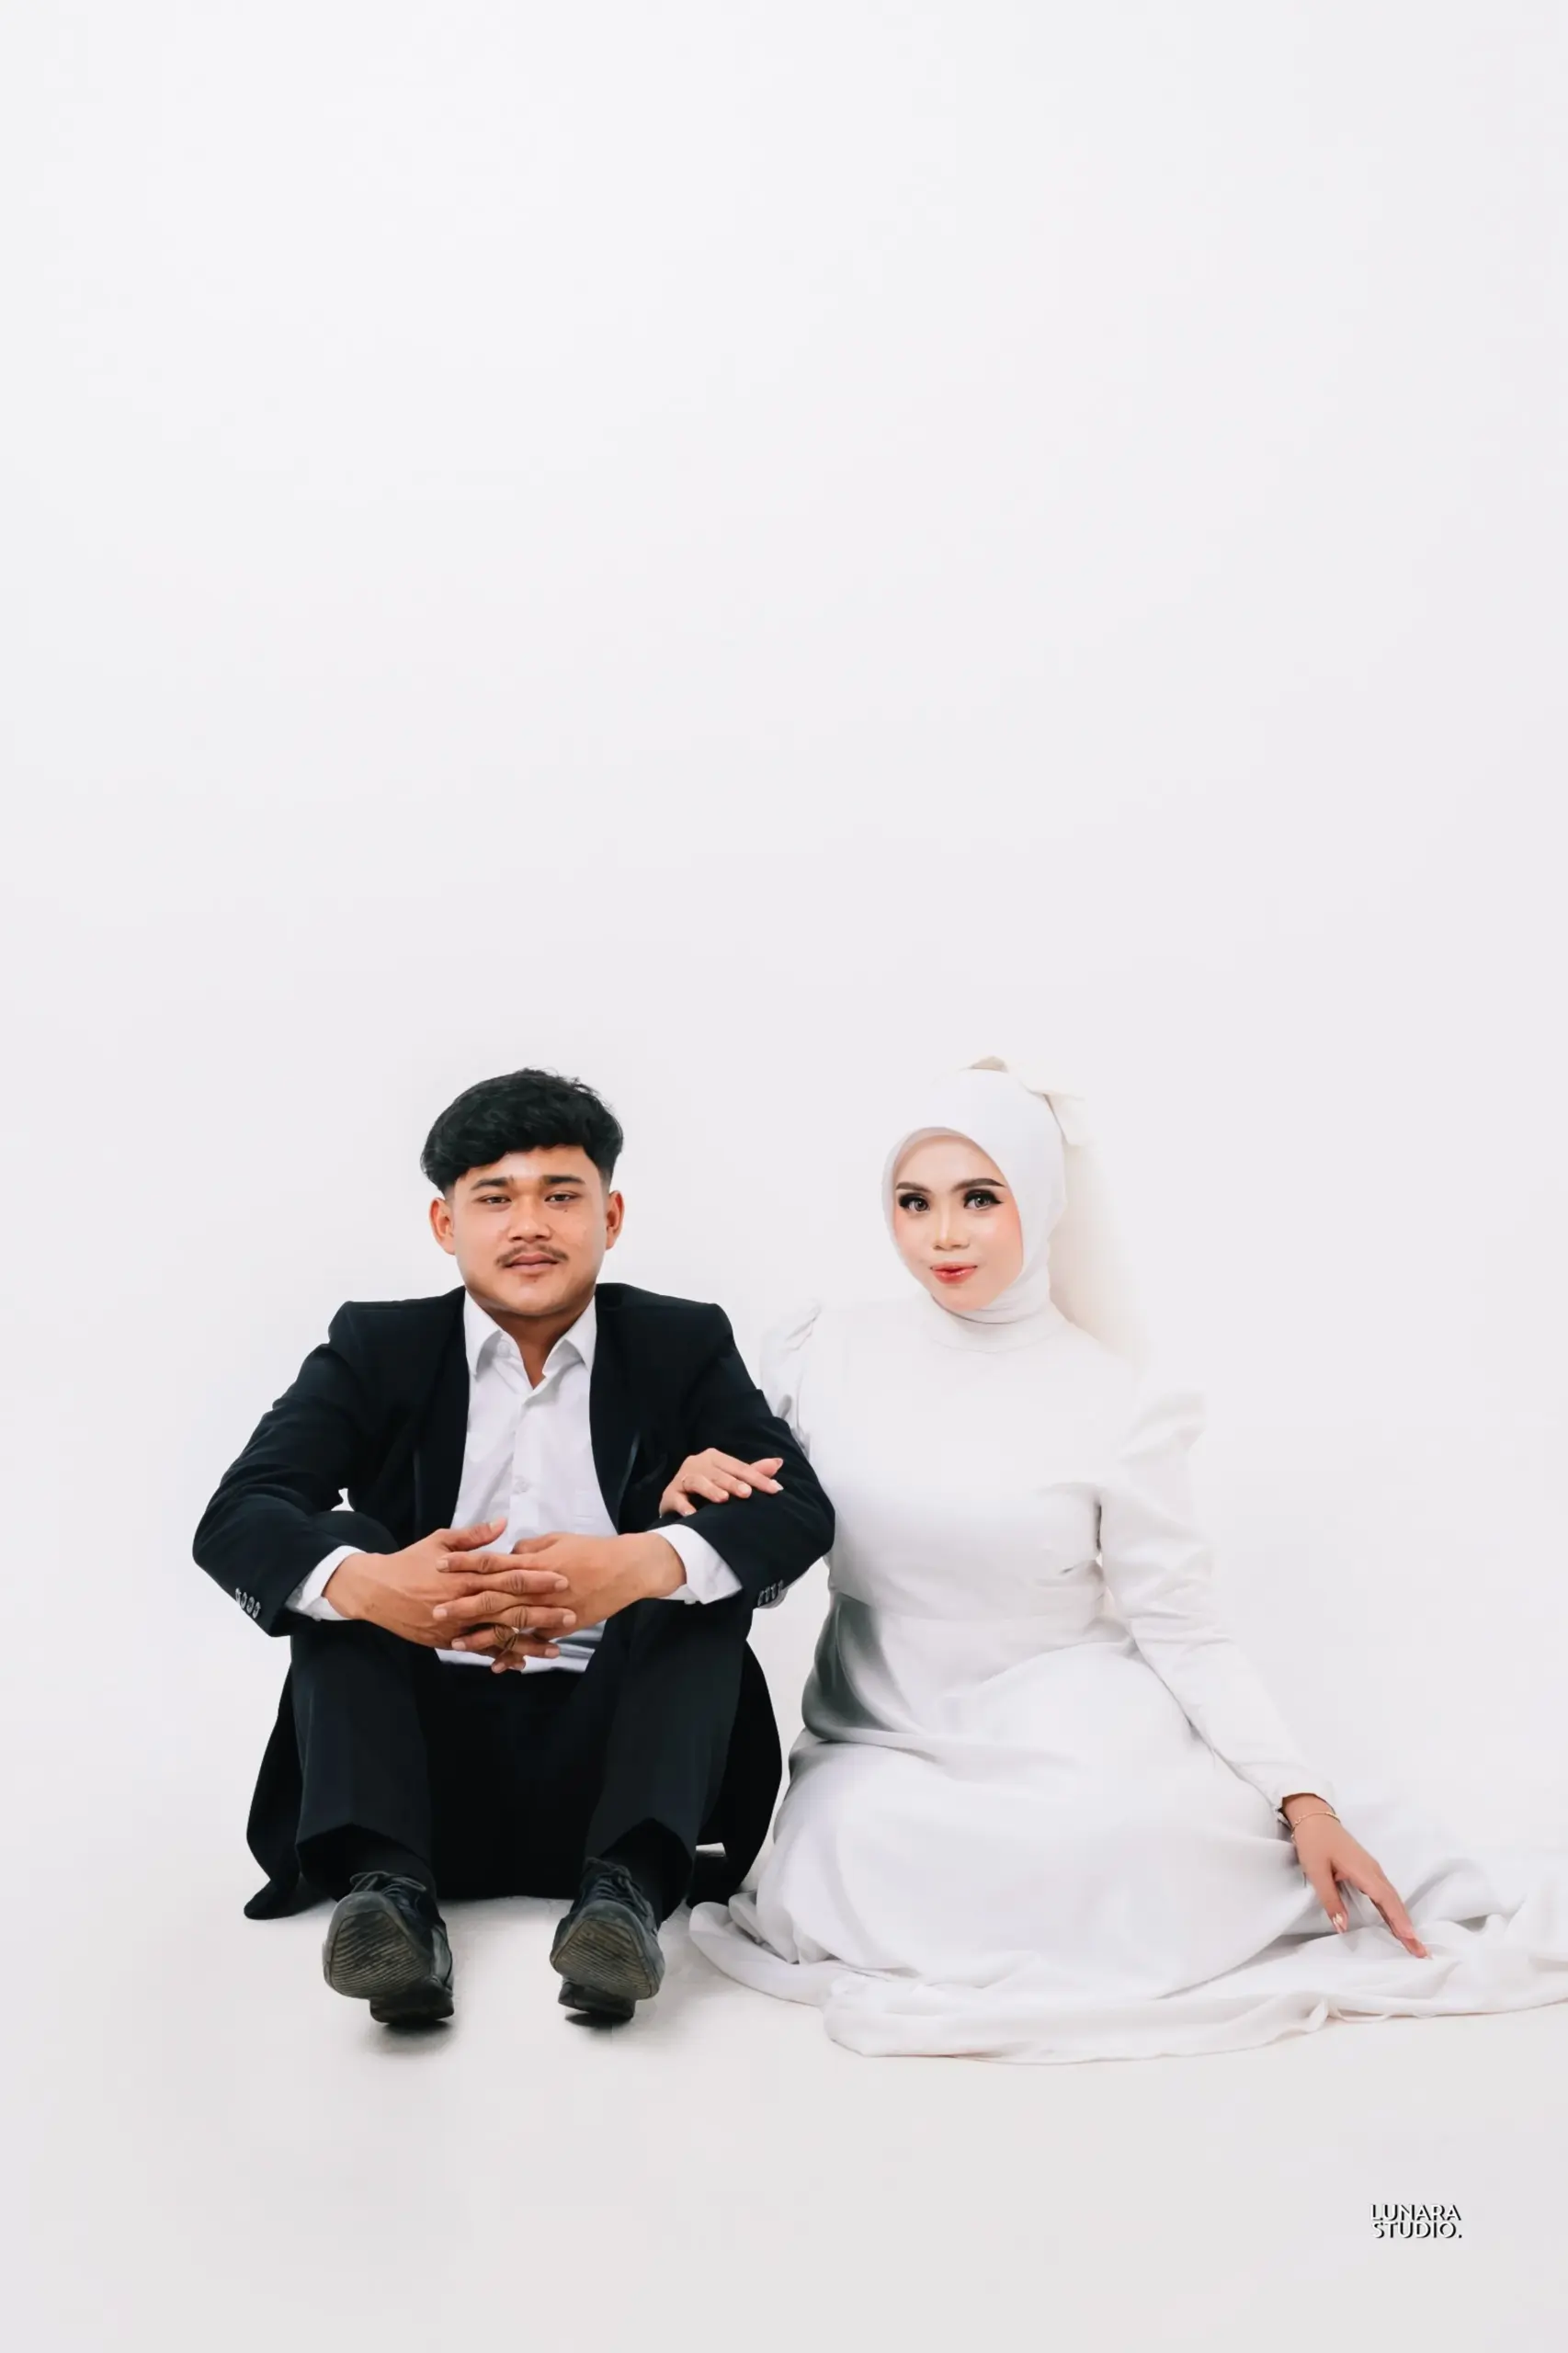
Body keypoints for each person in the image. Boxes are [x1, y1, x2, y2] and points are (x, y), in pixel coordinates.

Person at [686, 1057, 1568, 2061]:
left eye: (980, 1198)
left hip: (1067, 1704)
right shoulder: (824, 1352)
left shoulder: (1112, 1395)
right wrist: (706, 1511)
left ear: (1039, 1199)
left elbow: (1181, 1623)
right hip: (884, 1729)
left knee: (1114, 1837)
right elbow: (773, 1557)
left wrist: (1302, 1797)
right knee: (843, 1850)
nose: (943, 1234)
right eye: (913, 1201)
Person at [194, 1068, 833, 2029]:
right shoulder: (376, 1347)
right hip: (414, 1774)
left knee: (691, 1560)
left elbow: (798, 1511)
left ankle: (621, 1905)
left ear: (610, 1216)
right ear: (444, 1223)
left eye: (560, 1196)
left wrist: (642, 1561)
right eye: (494, 1198)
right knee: (341, 1548)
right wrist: (374, 1586)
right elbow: (239, 1513)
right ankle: (388, 1903)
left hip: (620, 1766)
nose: (528, 1224)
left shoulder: (681, 1344)